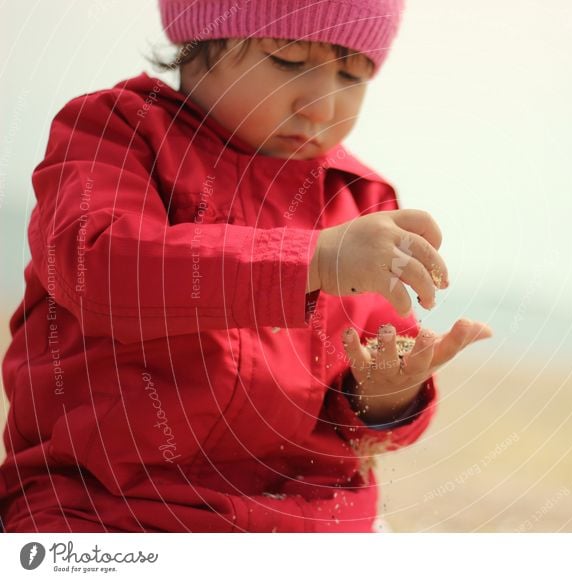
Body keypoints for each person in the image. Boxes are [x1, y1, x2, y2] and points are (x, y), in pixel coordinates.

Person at [0, 0, 492, 532]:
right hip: (112, 510)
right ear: (197, 44)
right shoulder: (118, 135)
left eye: (352, 75)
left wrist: (385, 395)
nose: (321, 108)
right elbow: (98, 266)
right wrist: (314, 259)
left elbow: (363, 414)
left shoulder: (356, 200)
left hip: (309, 523)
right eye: (288, 60)